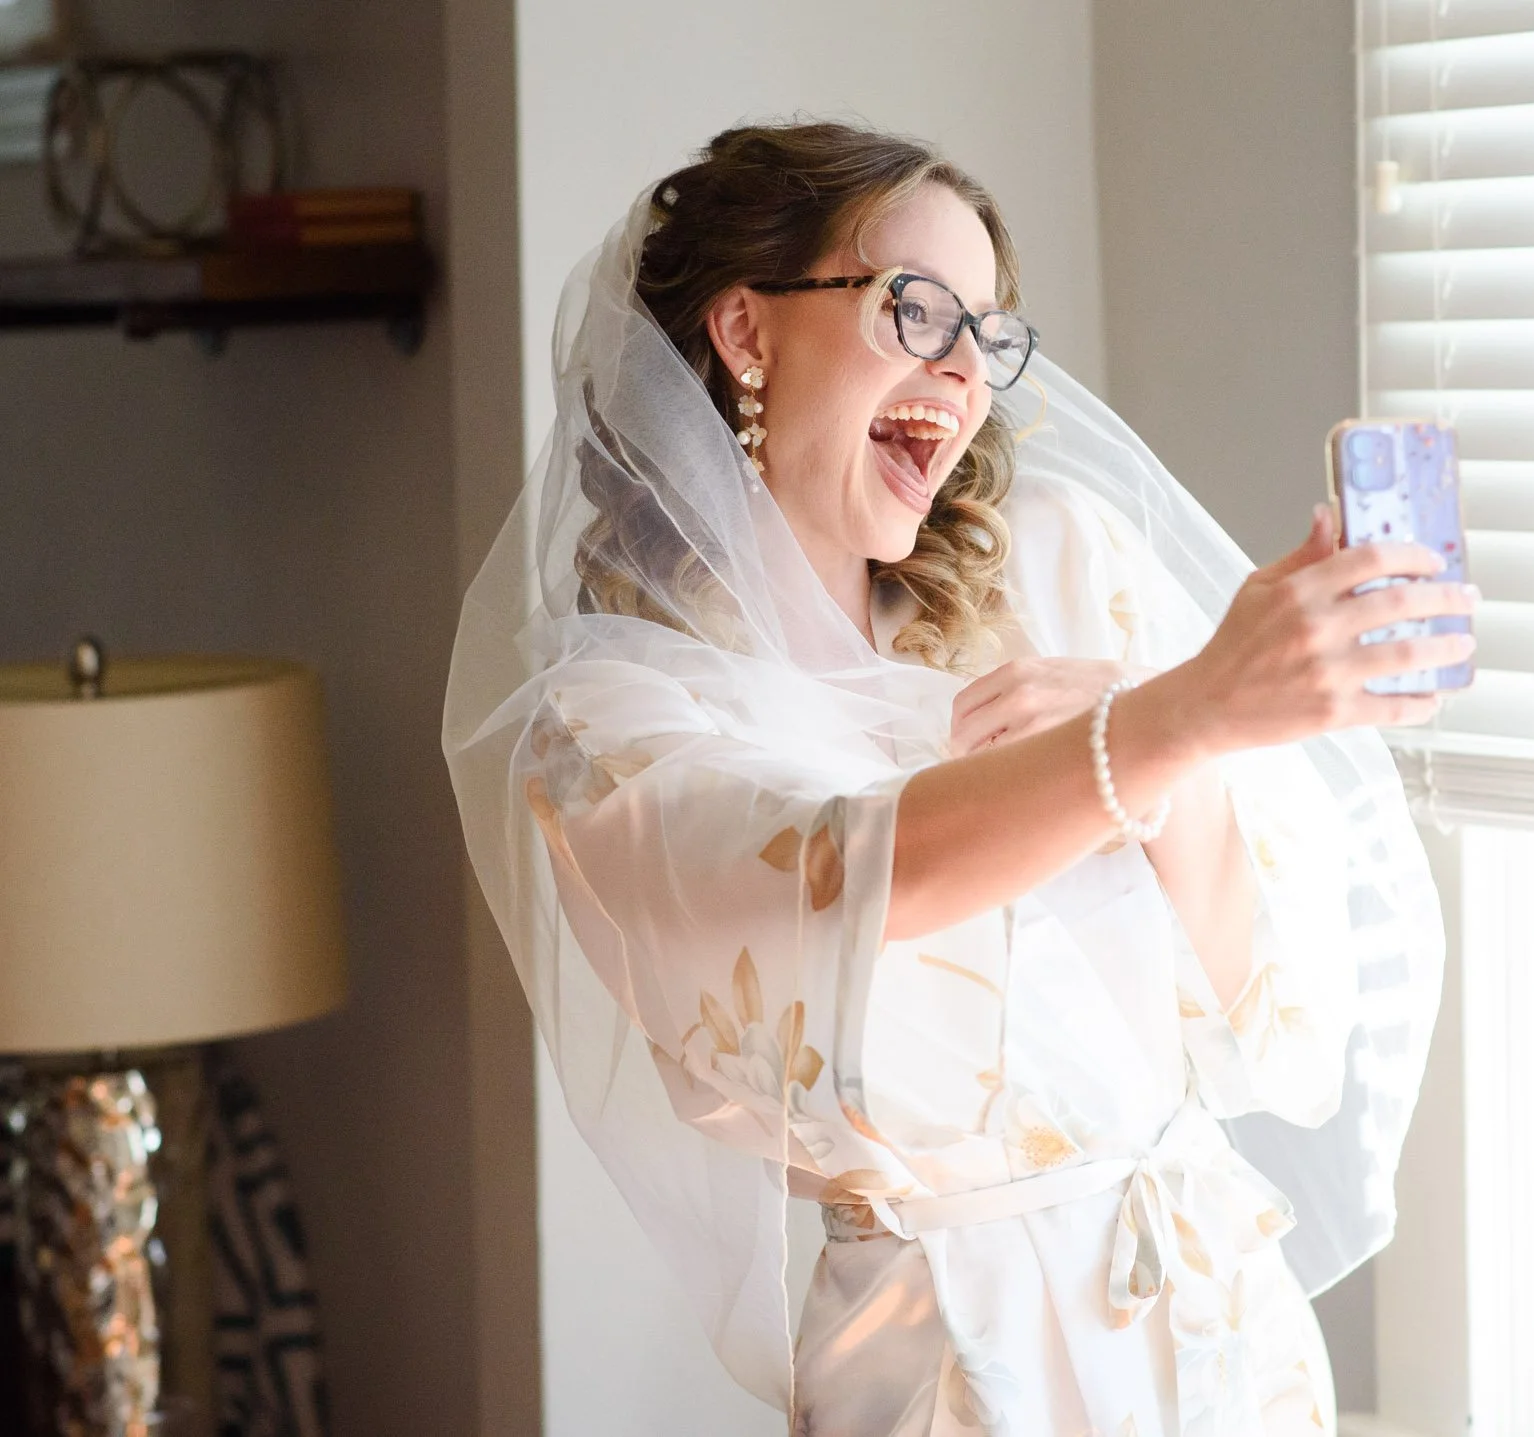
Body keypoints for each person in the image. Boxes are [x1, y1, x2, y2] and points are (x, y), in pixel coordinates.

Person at [444, 121, 1470, 1436]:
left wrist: (1185, 770)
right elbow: (851, 869)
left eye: (986, 336)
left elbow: (1263, 1009)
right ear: (748, 333)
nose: (964, 373)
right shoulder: (612, 724)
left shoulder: (1057, 565)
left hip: (1224, 1335)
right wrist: (1170, 723)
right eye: (917, 310)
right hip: (957, 1365)